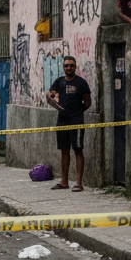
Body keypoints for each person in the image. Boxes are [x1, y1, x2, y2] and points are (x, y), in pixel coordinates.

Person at [47, 56, 92, 192]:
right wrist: (55, 104)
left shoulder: (81, 83)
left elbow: (88, 102)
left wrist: (77, 113)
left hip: (76, 122)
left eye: (71, 66)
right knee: (64, 151)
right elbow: (50, 96)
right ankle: (64, 182)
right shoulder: (59, 82)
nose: (69, 68)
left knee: (78, 150)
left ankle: (78, 183)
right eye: (66, 65)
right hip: (62, 121)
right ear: (63, 67)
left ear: (75, 67)